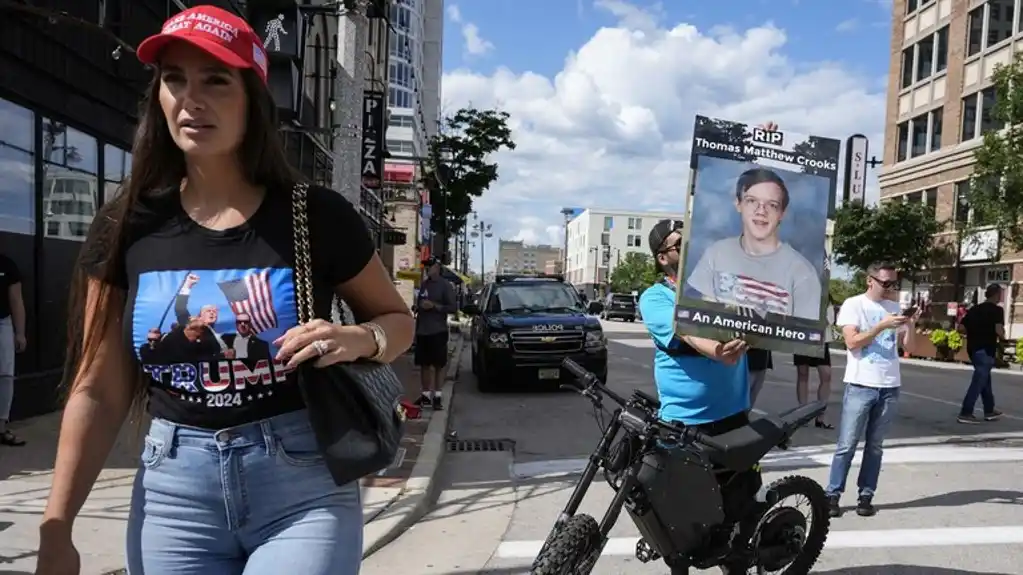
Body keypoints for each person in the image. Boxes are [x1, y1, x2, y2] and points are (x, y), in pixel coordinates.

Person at [35, 6, 415, 575]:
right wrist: (57, 526)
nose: (192, 98)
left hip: (301, 482)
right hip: (174, 493)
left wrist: (359, 338)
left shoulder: (314, 215)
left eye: (215, 80)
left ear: (253, 99)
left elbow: (396, 319)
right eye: (175, 80)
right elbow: (98, 389)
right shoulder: (127, 224)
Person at [639, 218, 755, 574]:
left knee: (738, 506)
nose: (688, 247)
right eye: (678, 244)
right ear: (662, 258)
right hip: (684, 424)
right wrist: (717, 350)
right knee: (682, 518)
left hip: (733, 417)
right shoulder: (656, 298)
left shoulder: (722, 287)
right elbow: (685, 331)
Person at [824, 262, 918, 518]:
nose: (890, 288)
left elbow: (909, 347)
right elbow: (852, 342)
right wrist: (881, 326)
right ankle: (832, 494)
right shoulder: (854, 305)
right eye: (885, 283)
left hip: (889, 385)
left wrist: (909, 324)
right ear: (870, 280)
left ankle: (866, 495)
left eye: (894, 283)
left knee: (875, 446)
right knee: (847, 444)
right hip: (860, 384)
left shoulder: (894, 307)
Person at [685, 167, 822, 321]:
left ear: (782, 213)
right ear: (738, 204)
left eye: (772, 205)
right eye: (752, 201)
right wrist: (713, 346)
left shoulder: (803, 272)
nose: (761, 211)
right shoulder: (716, 253)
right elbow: (699, 319)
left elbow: (804, 338)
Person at [956, 283, 1005, 424]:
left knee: (984, 379)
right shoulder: (997, 311)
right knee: (979, 381)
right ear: (996, 295)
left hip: (973, 348)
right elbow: (999, 330)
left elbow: (961, 328)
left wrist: (974, 331)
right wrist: (1003, 337)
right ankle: (966, 412)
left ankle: (989, 410)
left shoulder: (974, 309)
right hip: (986, 348)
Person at [414, 257, 457, 410]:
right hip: (423, 330)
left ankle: (437, 396)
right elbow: (419, 304)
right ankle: (425, 395)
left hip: (438, 330)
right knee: (424, 364)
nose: (427, 270)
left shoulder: (445, 286)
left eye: (430, 267)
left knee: (438, 364)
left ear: (437, 267)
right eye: (426, 267)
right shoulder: (424, 285)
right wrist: (418, 307)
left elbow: (452, 307)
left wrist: (434, 306)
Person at [793, 294, 837, 429]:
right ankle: (802, 414)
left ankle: (820, 416)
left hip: (821, 338)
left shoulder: (826, 295)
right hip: (803, 336)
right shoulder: (801, 291)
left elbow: (830, 319)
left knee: (826, 374)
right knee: (803, 374)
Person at [0, 253, 27, 446]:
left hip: (2, 322)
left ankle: (1, 428)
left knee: (5, 375)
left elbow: (16, 300)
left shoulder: (7, 264)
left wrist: (20, 333)